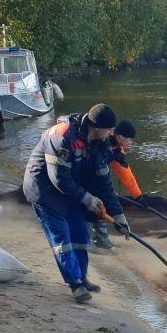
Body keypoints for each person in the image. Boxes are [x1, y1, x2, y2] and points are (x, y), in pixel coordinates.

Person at [22, 103, 128, 303]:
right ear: (97, 127)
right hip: (45, 190)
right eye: (110, 129)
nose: (112, 133)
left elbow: (104, 181)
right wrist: (88, 199)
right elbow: (59, 179)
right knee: (62, 237)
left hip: (73, 190)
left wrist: (119, 215)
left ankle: (82, 277)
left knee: (80, 232)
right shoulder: (61, 137)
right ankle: (75, 285)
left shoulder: (101, 142)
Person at [91, 118, 143, 249]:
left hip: (97, 175)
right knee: (98, 202)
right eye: (129, 139)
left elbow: (125, 174)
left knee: (103, 201)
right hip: (87, 174)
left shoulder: (117, 150)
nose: (131, 143)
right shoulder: (103, 142)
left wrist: (138, 196)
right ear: (120, 137)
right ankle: (95, 238)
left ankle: (100, 237)